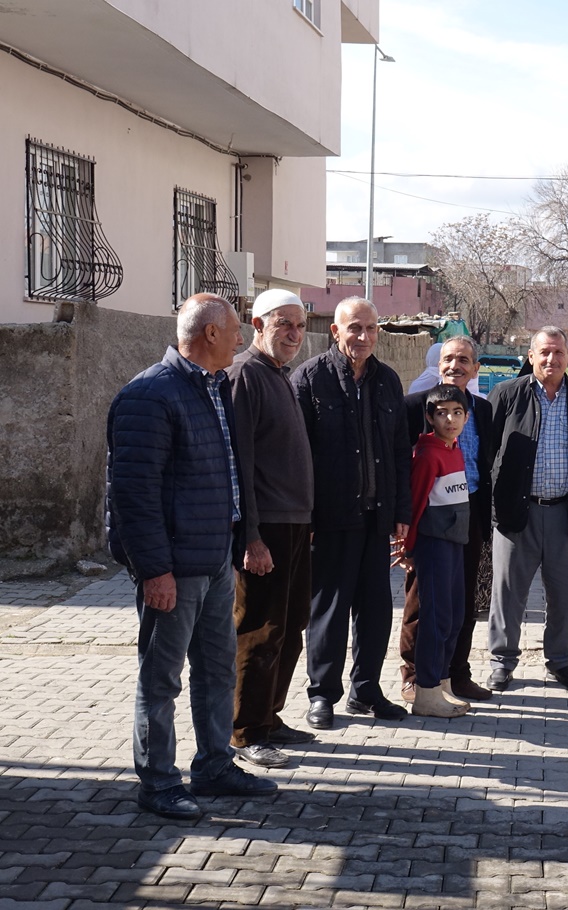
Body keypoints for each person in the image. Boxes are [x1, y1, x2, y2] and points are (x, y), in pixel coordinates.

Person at [107, 293, 276, 820]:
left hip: (213, 563)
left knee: (216, 671)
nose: (241, 341)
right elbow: (133, 496)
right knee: (161, 679)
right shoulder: (150, 395)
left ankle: (213, 766)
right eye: (233, 332)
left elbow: (224, 478)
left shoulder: (212, 388)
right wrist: (154, 570)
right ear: (208, 335)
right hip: (173, 570)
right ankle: (158, 782)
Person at [293, 297, 411, 729]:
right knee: (328, 611)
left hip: (376, 518)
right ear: (335, 332)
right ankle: (322, 694)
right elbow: (298, 456)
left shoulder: (388, 382)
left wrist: (401, 510)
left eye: (371, 329)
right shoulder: (309, 379)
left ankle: (366, 691)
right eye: (355, 329)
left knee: (376, 610)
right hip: (330, 519)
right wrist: (304, 517)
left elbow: (400, 450)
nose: (363, 337)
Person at [485, 327, 568, 691]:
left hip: (565, 514)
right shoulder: (507, 394)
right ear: (531, 355)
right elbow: (488, 448)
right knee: (508, 593)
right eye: (544, 353)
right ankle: (502, 662)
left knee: (565, 594)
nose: (551, 359)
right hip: (515, 515)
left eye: (558, 353)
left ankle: (559, 661)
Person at [226, 289, 315, 770]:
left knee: (292, 624)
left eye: (299, 326)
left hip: (295, 524)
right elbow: (241, 463)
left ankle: (270, 716)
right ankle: (246, 730)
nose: (293, 334)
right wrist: (251, 535)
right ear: (257, 325)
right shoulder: (246, 375)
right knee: (260, 629)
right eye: (283, 324)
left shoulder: (279, 376)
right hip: (267, 529)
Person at [398, 336, 493, 704]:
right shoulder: (416, 407)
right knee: (421, 599)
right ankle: (414, 675)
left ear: (475, 368)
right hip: (429, 517)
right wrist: (405, 526)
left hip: (468, 512)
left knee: (461, 599)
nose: (456, 366)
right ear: (439, 365)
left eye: (464, 360)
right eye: (449, 359)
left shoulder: (482, 410)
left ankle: (455, 672)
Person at [398, 385, 472, 717]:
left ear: (466, 417)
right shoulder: (427, 455)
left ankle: (442, 682)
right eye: (441, 413)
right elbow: (414, 505)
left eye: (457, 412)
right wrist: (408, 547)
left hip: (454, 544)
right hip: (432, 545)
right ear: (429, 417)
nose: (450, 419)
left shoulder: (453, 450)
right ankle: (425, 690)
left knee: (454, 614)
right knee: (435, 615)